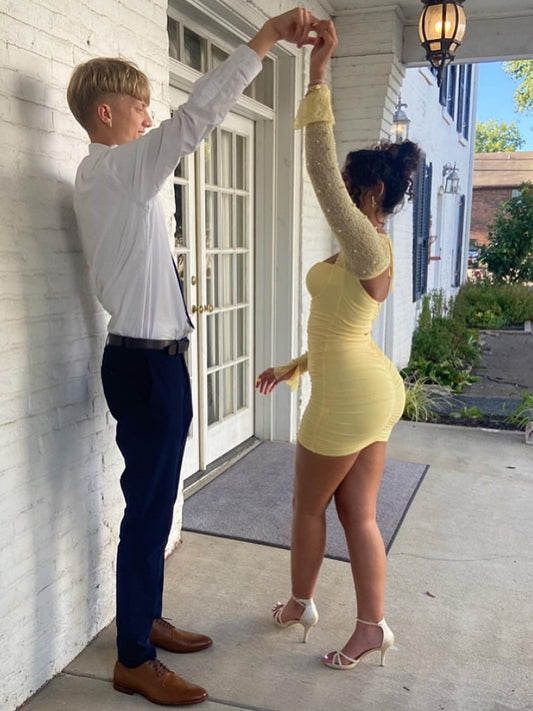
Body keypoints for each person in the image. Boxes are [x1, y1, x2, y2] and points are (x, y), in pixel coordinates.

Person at [66, 8, 318, 706]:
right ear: (106, 112)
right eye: (139, 106)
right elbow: (196, 117)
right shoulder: (118, 169)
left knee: (152, 504)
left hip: (149, 360)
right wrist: (265, 38)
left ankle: (143, 619)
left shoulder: (108, 176)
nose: (149, 116)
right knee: (148, 511)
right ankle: (133, 659)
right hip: (147, 366)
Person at [256, 20, 420, 671]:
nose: (339, 195)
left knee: (307, 506)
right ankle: (371, 628)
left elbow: (320, 171)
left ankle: (300, 604)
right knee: (358, 514)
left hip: (348, 396)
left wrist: (319, 73)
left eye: (351, 187)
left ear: (371, 192)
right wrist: (292, 366)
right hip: (368, 386)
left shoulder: (365, 243)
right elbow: (335, 327)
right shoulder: (365, 250)